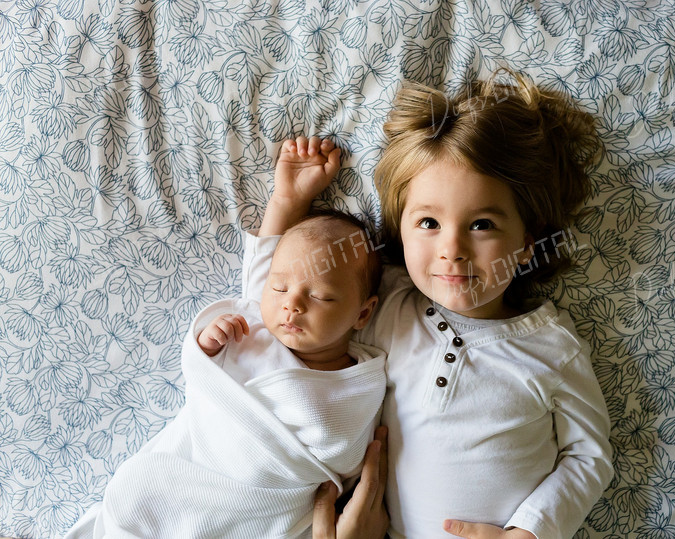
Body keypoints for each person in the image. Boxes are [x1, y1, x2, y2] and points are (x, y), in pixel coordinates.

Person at [280, 70, 615, 539]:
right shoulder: (384, 305)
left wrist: (531, 531)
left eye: (481, 225)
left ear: (525, 244)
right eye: (429, 223)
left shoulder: (551, 347)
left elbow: (590, 457)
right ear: (400, 230)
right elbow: (288, 295)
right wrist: (288, 204)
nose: (452, 249)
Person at [65, 141, 388, 539]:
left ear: (363, 313)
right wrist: (207, 345)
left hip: (261, 506)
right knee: (138, 503)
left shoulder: (362, 381)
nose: (292, 305)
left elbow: (343, 456)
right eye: (280, 288)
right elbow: (267, 261)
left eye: (320, 296)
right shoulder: (254, 325)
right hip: (185, 480)